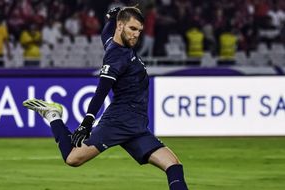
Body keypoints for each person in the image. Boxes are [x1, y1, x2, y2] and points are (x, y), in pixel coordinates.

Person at [23, 6, 188, 190]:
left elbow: (106, 33)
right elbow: (102, 90)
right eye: (132, 29)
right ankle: (53, 115)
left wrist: (110, 17)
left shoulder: (112, 43)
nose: (136, 35)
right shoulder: (116, 55)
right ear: (121, 26)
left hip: (137, 126)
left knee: (174, 165)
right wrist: (87, 121)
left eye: (139, 31)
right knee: (72, 158)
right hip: (118, 122)